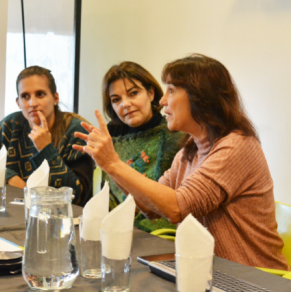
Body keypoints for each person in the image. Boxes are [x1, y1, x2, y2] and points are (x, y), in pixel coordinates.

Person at [73, 54, 289, 269]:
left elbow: (178, 208)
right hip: (207, 271)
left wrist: (113, 163)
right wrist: (108, 164)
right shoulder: (189, 150)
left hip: (252, 277)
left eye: (171, 90)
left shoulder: (237, 146)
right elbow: (150, 208)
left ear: (200, 97)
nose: (162, 100)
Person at [0, 66, 93, 206]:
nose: (33, 103)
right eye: (25, 96)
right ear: (18, 103)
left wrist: (46, 149)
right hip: (16, 213)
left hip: (62, 220)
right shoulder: (11, 125)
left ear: (55, 98)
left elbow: (78, 196)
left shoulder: (77, 131)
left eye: (40, 94)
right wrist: (8, 176)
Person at [102, 61, 188, 232]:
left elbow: (167, 210)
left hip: (157, 235)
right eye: (116, 99)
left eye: (133, 93)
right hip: (113, 230)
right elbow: (107, 196)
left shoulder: (174, 137)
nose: (125, 104)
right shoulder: (111, 133)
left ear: (150, 93)